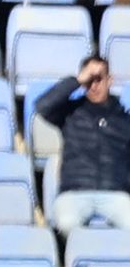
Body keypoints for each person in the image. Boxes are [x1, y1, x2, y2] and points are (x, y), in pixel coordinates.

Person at [37, 57, 130, 234]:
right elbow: (43, 106)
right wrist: (77, 81)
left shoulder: (124, 120)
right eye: (89, 80)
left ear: (109, 80)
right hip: (75, 192)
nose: (94, 86)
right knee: (67, 223)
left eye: (99, 79)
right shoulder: (70, 113)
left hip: (115, 192)